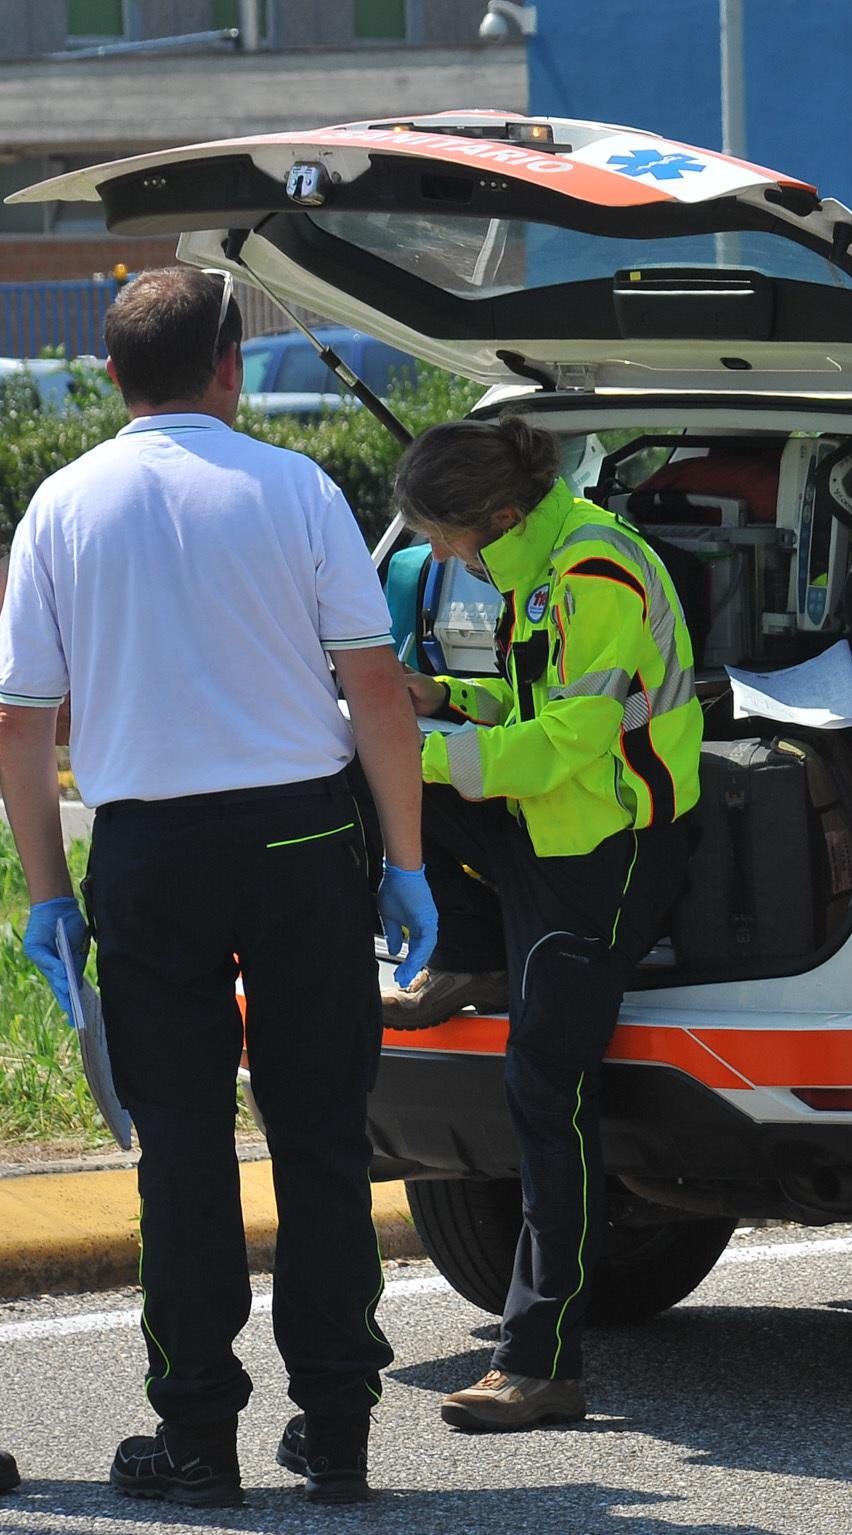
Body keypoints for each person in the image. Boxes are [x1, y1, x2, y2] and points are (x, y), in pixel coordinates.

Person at [0, 267, 438, 1506]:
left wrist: (50, 893)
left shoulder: (61, 505)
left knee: (180, 1153)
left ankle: (195, 1439)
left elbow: (22, 727)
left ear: (109, 375)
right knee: (317, 1135)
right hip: (302, 844)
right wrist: (403, 863)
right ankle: (339, 1426)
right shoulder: (297, 487)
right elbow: (376, 694)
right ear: (231, 366)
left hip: (148, 850)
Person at [380, 417, 700, 1431]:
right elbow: (528, 701)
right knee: (371, 765)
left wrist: (423, 751)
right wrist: (431, 699)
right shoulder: (546, 557)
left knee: (542, 1084)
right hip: (548, 828)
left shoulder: (596, 567)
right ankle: (473, 955)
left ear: (501, 517)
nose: (442, 557)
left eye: (445, 538)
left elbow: (570, 737)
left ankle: (540, 1360)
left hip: (607, 848)